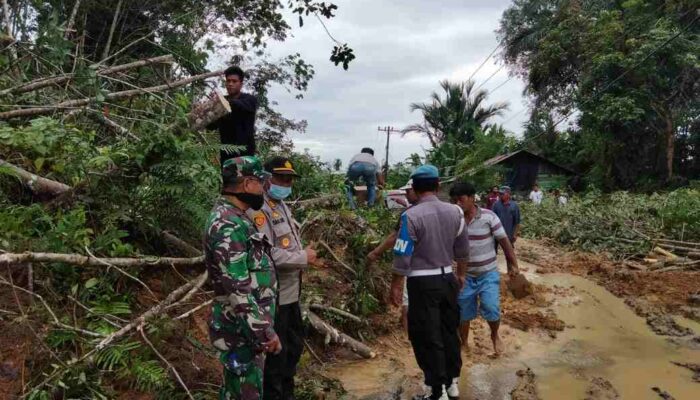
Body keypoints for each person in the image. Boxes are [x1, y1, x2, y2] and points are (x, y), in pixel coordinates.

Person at [246, 156, 323, 400]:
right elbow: (268, 254)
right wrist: (303, 257)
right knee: (276, 360)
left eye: (290, 179)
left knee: (292, 351)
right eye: (281, 178)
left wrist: (303, 255)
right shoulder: (259, 210)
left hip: (291, 295)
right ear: (266, 179)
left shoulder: (282, 206)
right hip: (274, 297)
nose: (287, 183)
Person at [203, 156, 280, 400]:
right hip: (240, 331)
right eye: (261, 183)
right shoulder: (228, 224)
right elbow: (237, 287)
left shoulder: (237, 218)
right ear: (247, 184)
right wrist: (264, 331)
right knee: (243, 393)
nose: (264, 189)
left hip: (247, 329)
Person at [391, 165, 469, 400]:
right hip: (448, 279)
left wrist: (395, 285)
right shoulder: (456, 212)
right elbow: (463, 250)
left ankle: (436, 391)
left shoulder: (410, 216)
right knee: (448, 331)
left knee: (427, 335)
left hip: (422, 283)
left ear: (414, 188)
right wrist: (461, 275)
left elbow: (402, 253)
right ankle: (452, 383)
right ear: (438, 186)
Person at [450, 182, 520, 357]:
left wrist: (513, 265)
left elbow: (505, 242)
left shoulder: (489, 217)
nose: (458, 203)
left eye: (461, 199)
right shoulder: (452, 220)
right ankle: (464, 342)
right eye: (454, 200)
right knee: (463, 312)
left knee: (491, 307)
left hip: (487, 273)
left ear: (472, 198)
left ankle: (495, 335)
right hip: (464, 276)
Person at [367, 179, 418, 332]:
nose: (406, 195)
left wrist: (375, 253)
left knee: (408, 299)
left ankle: (408, 332)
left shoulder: (408, 215)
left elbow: (398, 240)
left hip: (415, 266)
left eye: (408, 191)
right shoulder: (448, 211)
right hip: (441, 271)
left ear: (416, 190)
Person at [208, 66, 259, 165]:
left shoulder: (249, 99)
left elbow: (241, 105)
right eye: (228, 81)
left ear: (241, 84)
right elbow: (211, 126)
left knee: (245, 180)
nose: (230, 84)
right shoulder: (220, 103)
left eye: (234, 81)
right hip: (226, 156)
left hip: (245, 156)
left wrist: (222, 101)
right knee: (229, 180)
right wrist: (207, 109)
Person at [492, 186, 521, 250]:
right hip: (496, 233)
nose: (500, 195)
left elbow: (517, 222)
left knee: (509, 252)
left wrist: (515, 234)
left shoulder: (514, 206)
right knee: (493, 251)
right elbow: (492, 219)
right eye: (500, 194)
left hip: (509, 233)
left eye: (502, 194)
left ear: (508, 194)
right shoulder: (496, 204)